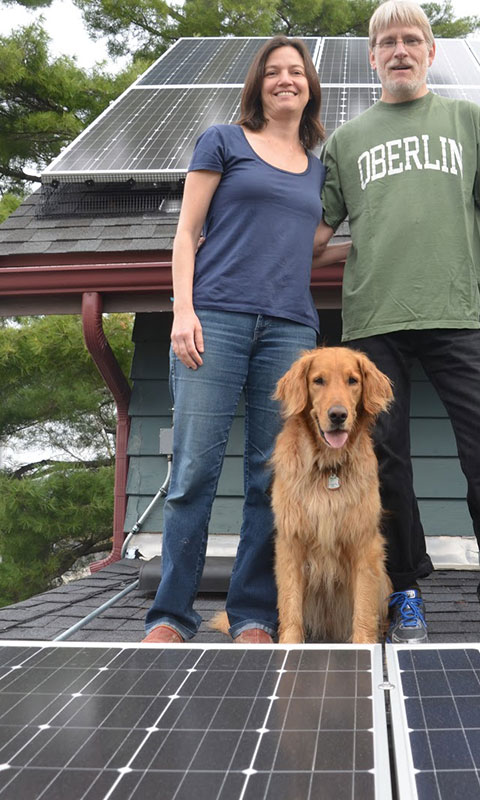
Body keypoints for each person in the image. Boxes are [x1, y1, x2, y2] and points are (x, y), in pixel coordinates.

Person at [313, 0, 480, 644]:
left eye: (412, 39)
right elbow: (316, 236)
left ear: (430, 52)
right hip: (373, 321)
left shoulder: (468, 121)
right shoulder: (346, 141)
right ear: (372, 57)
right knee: (385, 462)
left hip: (456, 314)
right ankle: (406, 594)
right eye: (387, 41)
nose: (399, 50)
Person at [144, 36, 326, 645]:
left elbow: (312, 248)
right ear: (258, 85)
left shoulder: (320, 170)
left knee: (268, 479)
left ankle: (252, 614)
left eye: (295, 72)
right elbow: (186, 233)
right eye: (273, 72)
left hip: (291, 329)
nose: (285, 80)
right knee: (194, 469)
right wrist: (183, 310)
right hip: (214, 319)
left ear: (310, 86)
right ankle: (171, 615)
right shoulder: (222, 140)